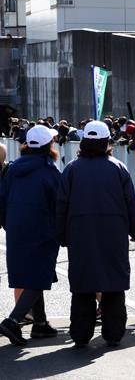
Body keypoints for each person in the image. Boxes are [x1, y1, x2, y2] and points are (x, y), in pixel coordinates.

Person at [56, 121, 135, 347]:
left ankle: (81, 334)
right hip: (114, 232)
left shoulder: (72, 169)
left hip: (80, 233)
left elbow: (61, 205)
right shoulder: (118, 167)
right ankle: (113, 333)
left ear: (83, 142)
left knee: (83, 284)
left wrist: (61, 235)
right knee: (114, 283)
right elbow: (130, 202)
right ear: (107, 142)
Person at [0, 125, 61, 346]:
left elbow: (2, 199)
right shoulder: (49, 171)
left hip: (16, 228)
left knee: (31, 274)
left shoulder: (13, 169)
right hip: (42, 230)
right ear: (48, 145)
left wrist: (7, 224)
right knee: (40, 276)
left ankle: (40, 324)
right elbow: (59, 205)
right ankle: (13, 321)